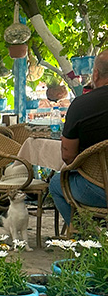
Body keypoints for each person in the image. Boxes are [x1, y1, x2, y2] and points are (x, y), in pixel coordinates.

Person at [49, 50, 108, 226]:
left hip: (98, 190)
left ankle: (84, 238)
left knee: (55, 184)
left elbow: (68, 156)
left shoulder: (81, 105)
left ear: (95, 74)